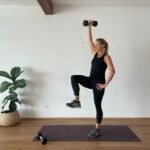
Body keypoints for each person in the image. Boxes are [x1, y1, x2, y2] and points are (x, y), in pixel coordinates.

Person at [66, 20, 116, 139]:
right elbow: (89, 40)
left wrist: (105, 85)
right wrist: (89, 26)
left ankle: (97, 128)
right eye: (96, 44)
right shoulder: (94, 53)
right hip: (90, 80)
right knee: (74, 78)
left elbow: (112, 71)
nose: (95, 45)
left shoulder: (106, 57)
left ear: (103, 46)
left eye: (98, 44)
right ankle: (77, 100)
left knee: (97, 106)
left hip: (98, 85)